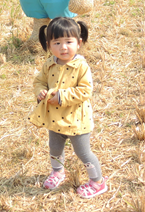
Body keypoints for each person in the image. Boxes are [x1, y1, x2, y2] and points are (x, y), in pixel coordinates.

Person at [29, 17, 107, 199]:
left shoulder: (81, 66)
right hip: (54, 119)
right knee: (55, 149)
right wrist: (40, 91)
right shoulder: (50, 64)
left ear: (78, 43)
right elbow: (39, 81)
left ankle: (98, 182)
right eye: (57, 42)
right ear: (49, 44)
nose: (63, 47)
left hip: (76, 120)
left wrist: (62, 97)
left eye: (68, 42)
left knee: (83, 153)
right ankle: (57, 172)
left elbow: (85, 90)